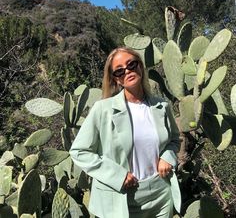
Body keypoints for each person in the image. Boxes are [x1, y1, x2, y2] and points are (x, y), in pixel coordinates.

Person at [70, 47, 181, 218]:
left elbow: (174, 139)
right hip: (123, 198)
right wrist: (117, 175)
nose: (127, 71)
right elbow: (79, 151)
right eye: (119, 71)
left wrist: (167, 156)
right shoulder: (103, 110)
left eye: (131, 64)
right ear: (116, 79)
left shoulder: (161, 106)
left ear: (140, 67)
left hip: (161, 194)